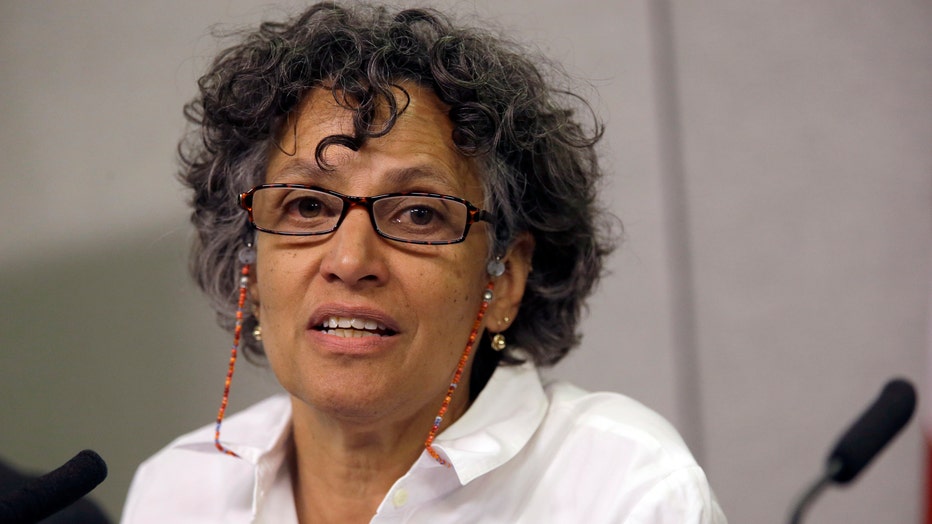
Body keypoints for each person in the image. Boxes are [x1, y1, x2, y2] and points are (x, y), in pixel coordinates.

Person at [122, 2, 726, 522]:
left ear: (505, 280)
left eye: (417, 213)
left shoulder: (623, 492)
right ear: (248, 271)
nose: (351, 259)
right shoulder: (177, 492)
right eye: (307, 205)